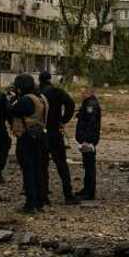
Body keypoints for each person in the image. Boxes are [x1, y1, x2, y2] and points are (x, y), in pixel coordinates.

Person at [9, 73, 47, 213]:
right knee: (38, 170)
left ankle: (30, 203)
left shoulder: (25, 100)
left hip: (26, 138)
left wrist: (10, 99)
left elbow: (12, 111)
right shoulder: (39, 98)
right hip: (39, 136)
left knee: (28, 171)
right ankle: (39, 201)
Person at [38, 71, 77, 204]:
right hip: (55, 131)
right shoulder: (57, 91)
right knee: (61, 164)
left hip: (41, 132)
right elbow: (70, 104)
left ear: (40, 80)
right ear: (50, 79)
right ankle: (68, 194)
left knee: (42, 165)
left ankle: (43, 196)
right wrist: (63, 119)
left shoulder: (37, 92)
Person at [74, 86, 101, 200]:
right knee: (87, 165)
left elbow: (92, 123)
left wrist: (86, 139)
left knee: (89, 165)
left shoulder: (91, 105)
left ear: (89, 93)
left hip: (88, 140)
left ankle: (89, 192)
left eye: (83, 92)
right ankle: (87, 189)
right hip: (86, 138)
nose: (81, 95)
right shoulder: (88, 103)